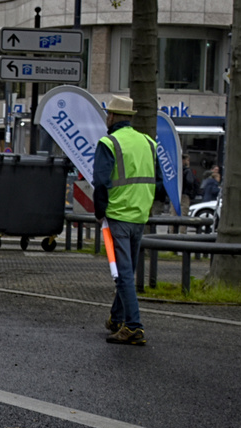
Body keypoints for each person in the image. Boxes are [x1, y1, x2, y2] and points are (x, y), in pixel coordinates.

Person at [95, 94, 159, 346]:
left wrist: (100, 211)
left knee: (122, 274)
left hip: (117, 214)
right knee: (127, 269)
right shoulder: (148, 142)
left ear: (111, 117)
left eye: (107, 114)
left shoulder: (108, 143)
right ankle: (117, 317)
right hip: (140, 213)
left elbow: (101, 181)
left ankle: (133, 326)